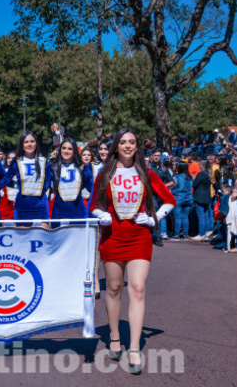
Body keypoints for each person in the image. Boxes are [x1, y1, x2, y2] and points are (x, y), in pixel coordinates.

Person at [89, 127, 175, 375]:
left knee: (137, 289)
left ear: (137, 147)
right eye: (123, 142)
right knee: (114, 288)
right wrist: (100, 214)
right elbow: (94, 203)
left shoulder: (146, 173)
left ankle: (134, 347)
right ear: (116, 146)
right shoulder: (105, 173)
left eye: (132, 142)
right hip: (112, 236)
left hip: (139, 237)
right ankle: (114, 336)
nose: (127, 146)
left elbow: (170, 199)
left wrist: (155, 217)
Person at [0, 131, 53, 228]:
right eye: (26, 142)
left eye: (32, 141)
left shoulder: (44, 162)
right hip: (22, 206)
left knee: (42, 236)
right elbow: (6, 179)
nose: (29, 144)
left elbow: (48, 181)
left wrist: (40, 191)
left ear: (36, 143)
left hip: (40, 205)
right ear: (22, 145)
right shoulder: (17, 160)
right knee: (22, 239)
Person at [172, 162, 194, 240]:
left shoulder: (176, 177)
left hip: (178, 198)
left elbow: (172, 186)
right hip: (188, 198)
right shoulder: (190, 177)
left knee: (177, 217)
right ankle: (185, 234)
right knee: (185, 217)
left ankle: (177, 234)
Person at [191, 160, 212, 241]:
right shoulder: (208, 173)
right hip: (206, 196)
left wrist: (194, 178)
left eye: (200, 165)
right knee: (206, 216)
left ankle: (201, 234)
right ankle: (205, 233)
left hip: (199, 196)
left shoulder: (201, 174)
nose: (198, 166)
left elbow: (194, 184)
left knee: (201, 216)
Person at [0, 151, 17, 221]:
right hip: (5, 204)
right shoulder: (2, 171)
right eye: (8, 158)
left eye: (13, 158)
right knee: (7, 229)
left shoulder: (22, 172)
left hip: (18, 203)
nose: (10, 160)